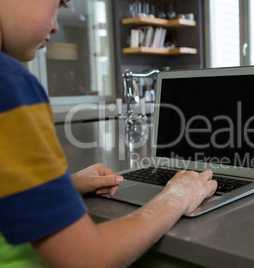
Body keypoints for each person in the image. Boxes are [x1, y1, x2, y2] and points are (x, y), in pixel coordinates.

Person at [0, 0, 218, 267]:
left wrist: (63, 188)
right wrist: (177, 197)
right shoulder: (9, 83)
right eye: (57, 4)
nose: (56, 26)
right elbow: (87, 258)